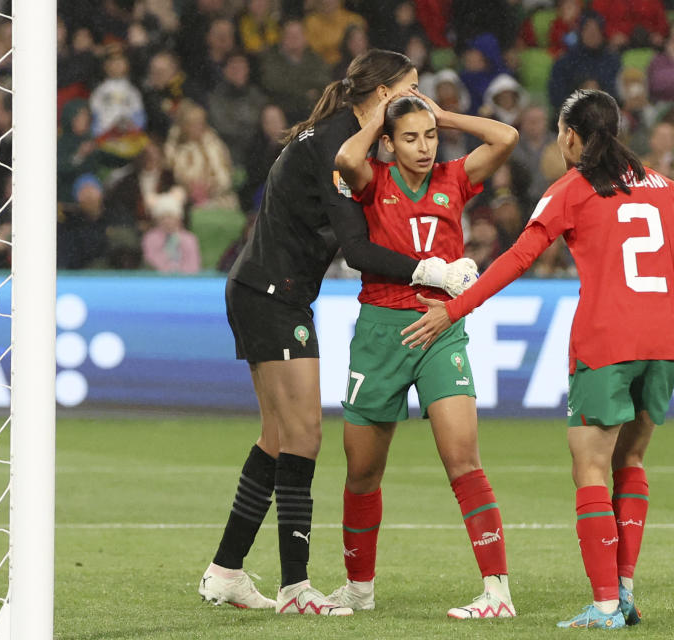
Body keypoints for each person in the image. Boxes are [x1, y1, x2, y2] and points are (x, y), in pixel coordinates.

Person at [400, 89, 674, 630]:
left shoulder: (571, 190)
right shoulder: (664, 186)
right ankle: (625, 593)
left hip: (607, 341)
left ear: (569, 136)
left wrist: (454, 310)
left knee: (589, 466)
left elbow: (517, 259)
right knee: (629, 463)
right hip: (665, 343)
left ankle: (606, 605)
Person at [197, 49, 479, 617]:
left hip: (261, 289)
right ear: (382, 95)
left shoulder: (337, 136)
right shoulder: (337, 146)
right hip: (273, 295)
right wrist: (431, 269)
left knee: (276, 438)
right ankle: (296, 588)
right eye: (412, 90)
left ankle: (226, 570)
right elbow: (356, 248)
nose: (421, 100)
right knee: (304, 438)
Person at [326, 92, 518, 618]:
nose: (424, 147)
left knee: (464, 461)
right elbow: (345, 160)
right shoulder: (374, 181)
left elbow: (506, 137)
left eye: (430, 136)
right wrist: (376, 122)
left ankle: (497, 594)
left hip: (440, 329)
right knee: (362, 473)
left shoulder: (455, 178)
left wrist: (442, 114)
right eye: (410, 138)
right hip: (380, 333)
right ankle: (358, 590)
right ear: (388, 144)